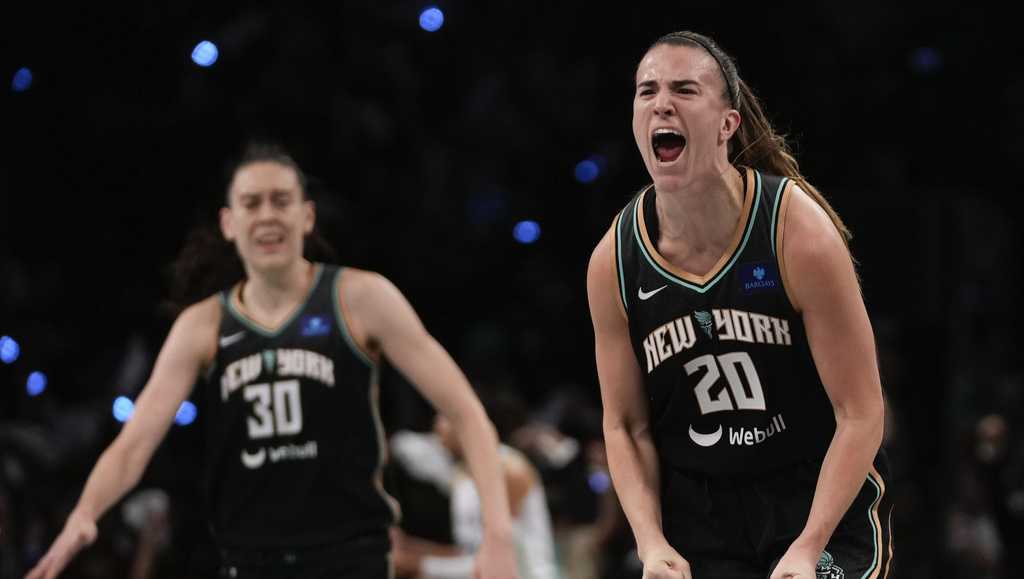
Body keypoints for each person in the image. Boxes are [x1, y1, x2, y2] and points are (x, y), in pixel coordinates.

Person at [25, 143, 519, 579]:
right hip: (249, 562)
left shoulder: (360, 298)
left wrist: (498, 536)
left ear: (306, 217)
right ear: (229, 222)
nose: (267, 215)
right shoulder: (202, 326)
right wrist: (84, 516)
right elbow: (133, 446)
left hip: (353, 560)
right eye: (251, 203)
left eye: (281, 201)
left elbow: (467, 414)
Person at [586, 31, 894, 579]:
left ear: (728, 124)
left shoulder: (797, 232)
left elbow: (862, 411)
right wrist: (650, 541)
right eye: (647, 91)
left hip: (814, 493)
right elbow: (625, 426)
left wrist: (808, 544)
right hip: (700, 515)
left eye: (684, 89)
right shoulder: (614, 260)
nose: (662, 103)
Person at [390, 408, 559, 579]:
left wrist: (419, 565)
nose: (437, 427)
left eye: (445, 418)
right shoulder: (461, 473)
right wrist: (408, 547)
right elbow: (469, 551)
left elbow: (504, 557)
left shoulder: (508, 470)